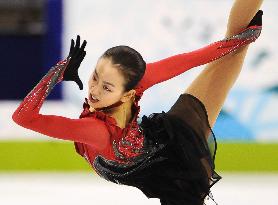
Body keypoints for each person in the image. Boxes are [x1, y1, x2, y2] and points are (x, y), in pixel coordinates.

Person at [12, 1, 263, 204]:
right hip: (159, 172)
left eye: (107, 87)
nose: (94, 91)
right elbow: (22, 118)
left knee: (234, 50)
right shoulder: (98, 127)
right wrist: (59, 71)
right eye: (95, 77)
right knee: (234, 48)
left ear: (129, 93)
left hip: (169, 150)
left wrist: (240, 39)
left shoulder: (119, 104)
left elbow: (192, 59)